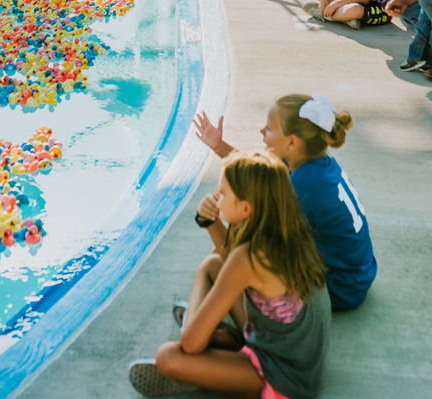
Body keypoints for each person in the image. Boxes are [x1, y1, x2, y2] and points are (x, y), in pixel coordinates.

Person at [128, 151, 331, 399]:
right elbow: (226, 255)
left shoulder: (249, 257)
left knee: (169, 357)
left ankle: (211, 362)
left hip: (287, 379)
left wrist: (197, 332)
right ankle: (225, 341)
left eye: (222, 192)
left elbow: (191, 345)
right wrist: (208, 220)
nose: (216, 196)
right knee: (212, 264)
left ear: (246, 208)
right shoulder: (285, 230)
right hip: (298, 355)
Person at [193, 93, 376, 312]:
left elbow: (244, 253)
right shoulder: (312, 164)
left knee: (239, 238)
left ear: (292, 142)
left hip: (337, 289)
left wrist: (210, 221)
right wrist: (218, 145)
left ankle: (218, 318)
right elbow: (256, 171)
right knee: (236, 226)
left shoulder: (302, 188)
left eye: (269, 129)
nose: (262, 132)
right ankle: (207, 303)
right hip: (355, 277)